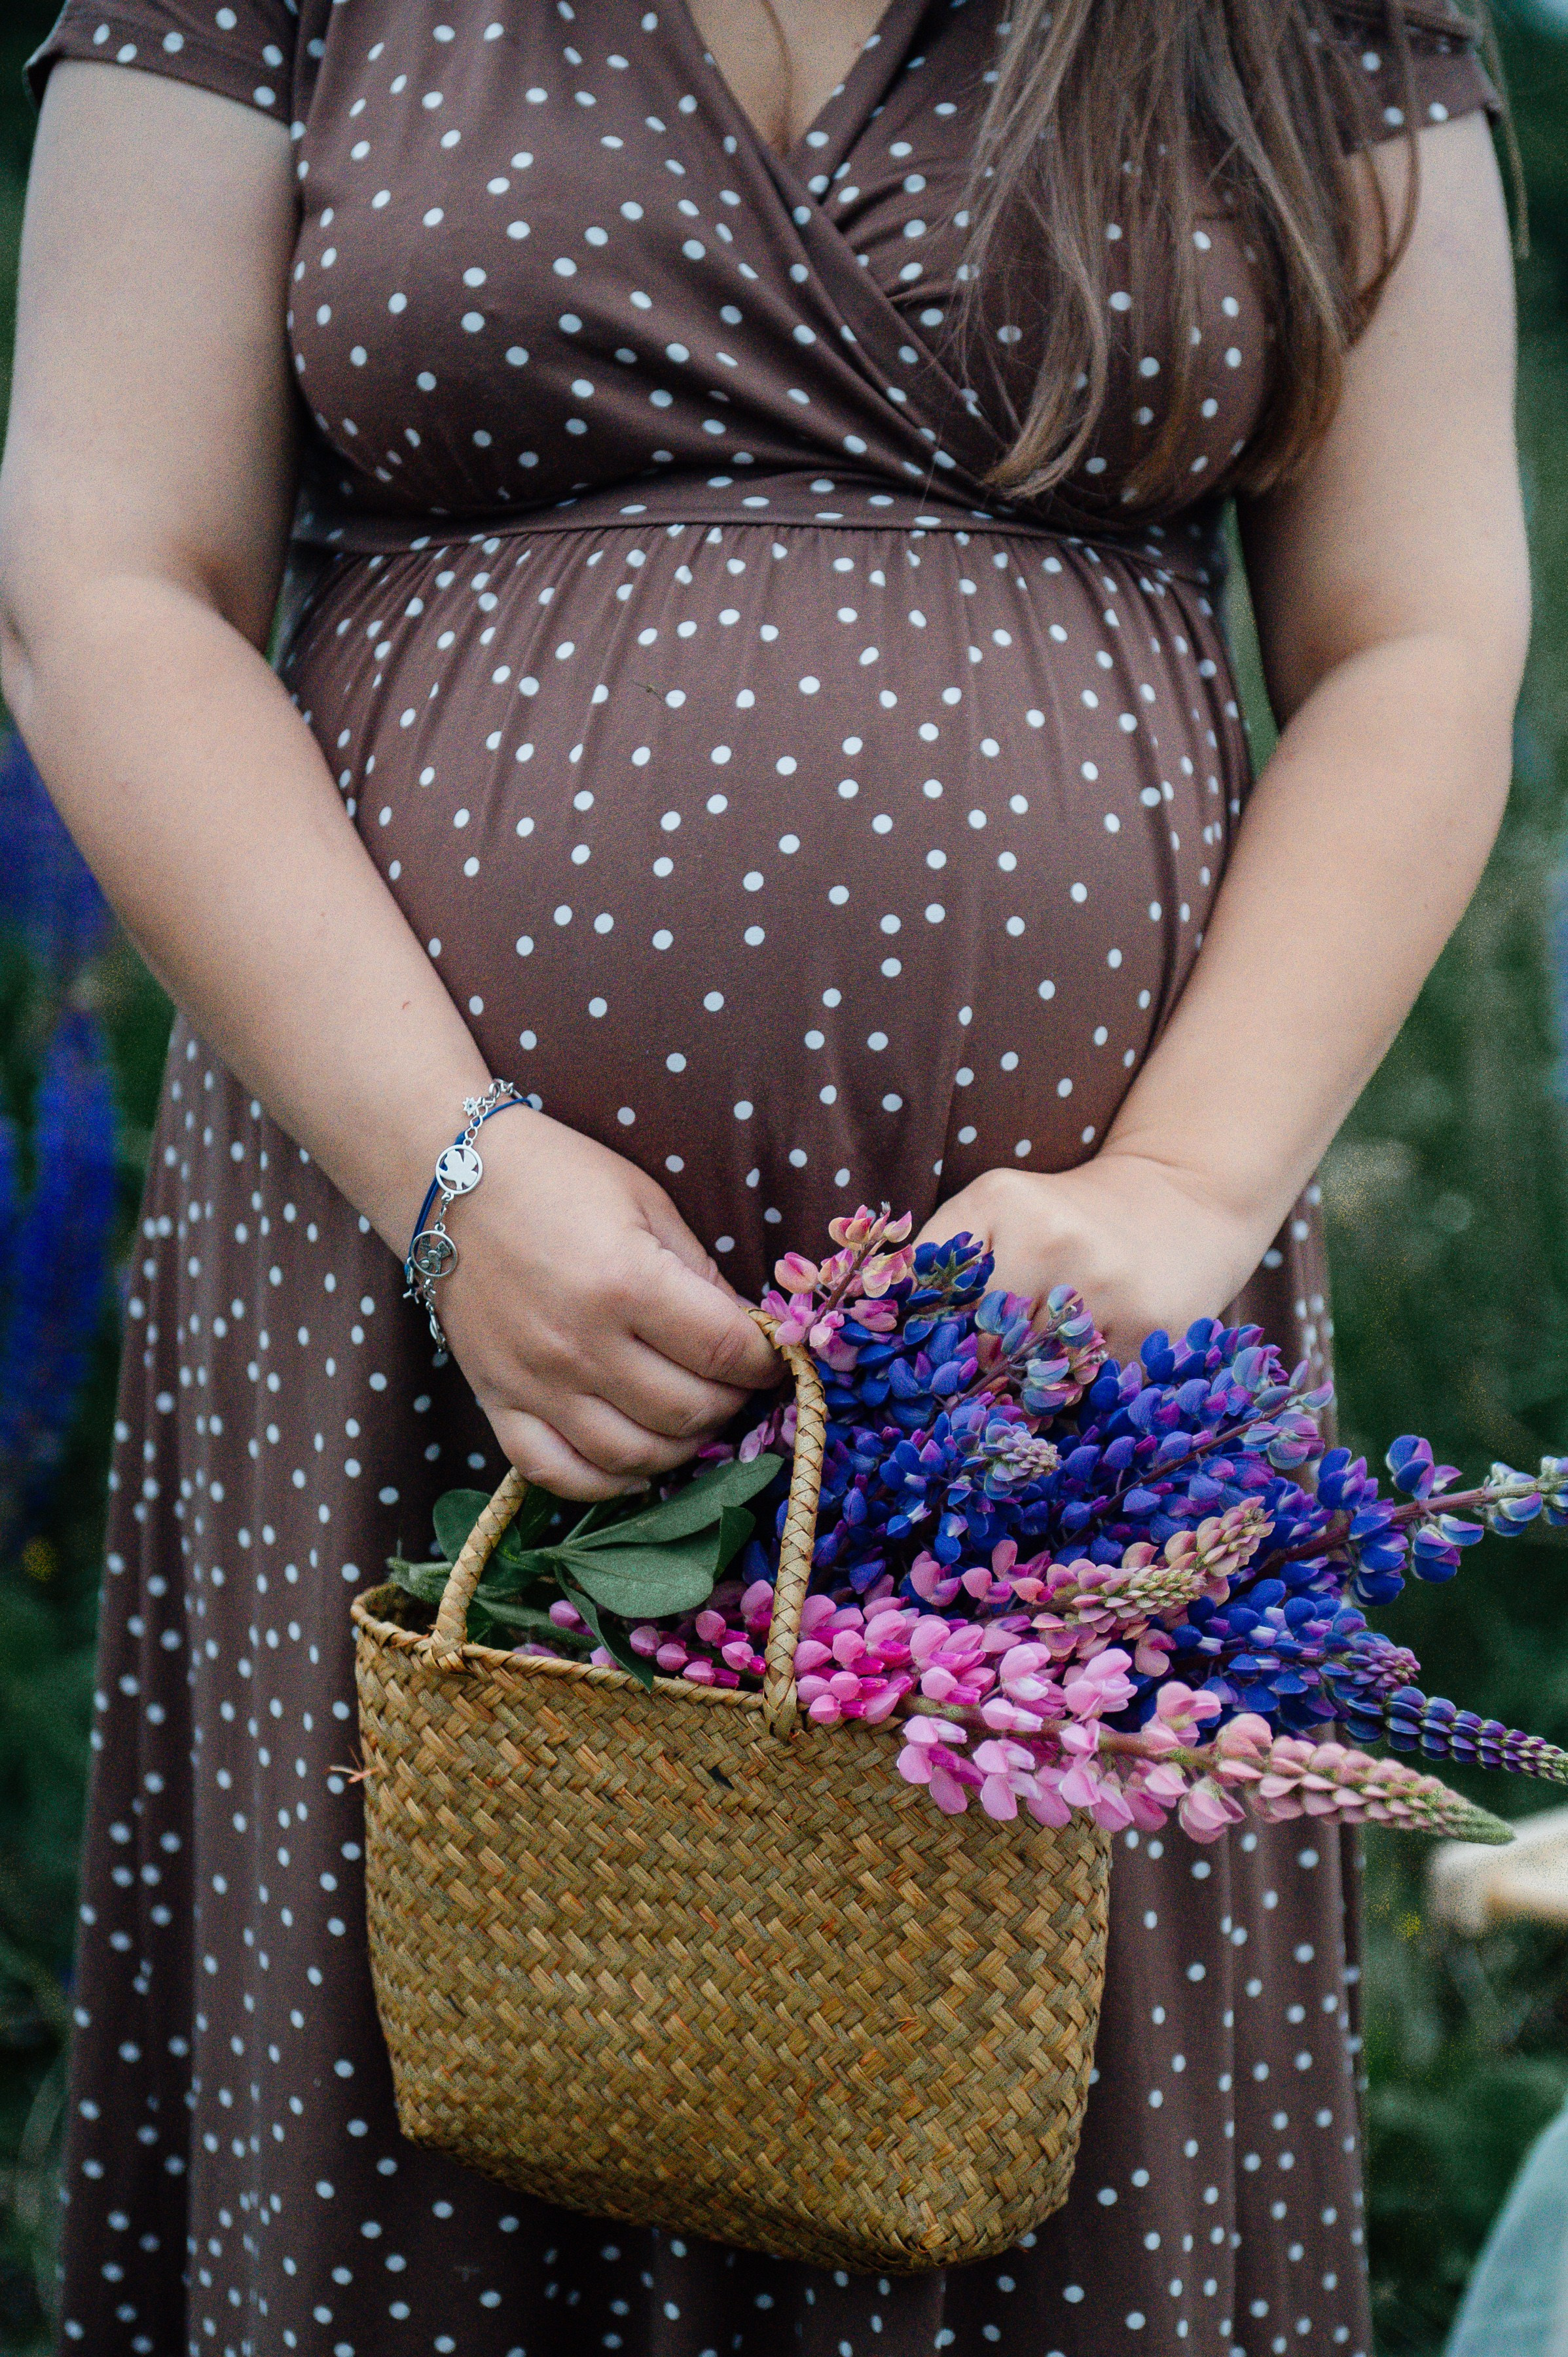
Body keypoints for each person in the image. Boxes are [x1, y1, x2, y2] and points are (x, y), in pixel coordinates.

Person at [0, 0, 1527, 2349]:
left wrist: (1177, 1196)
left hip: (1071, 1355)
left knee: (1021, 2093)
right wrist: (444, 1169)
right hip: (407, 1269)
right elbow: (109, 573)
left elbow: (1415, 636)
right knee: (433, 2080)